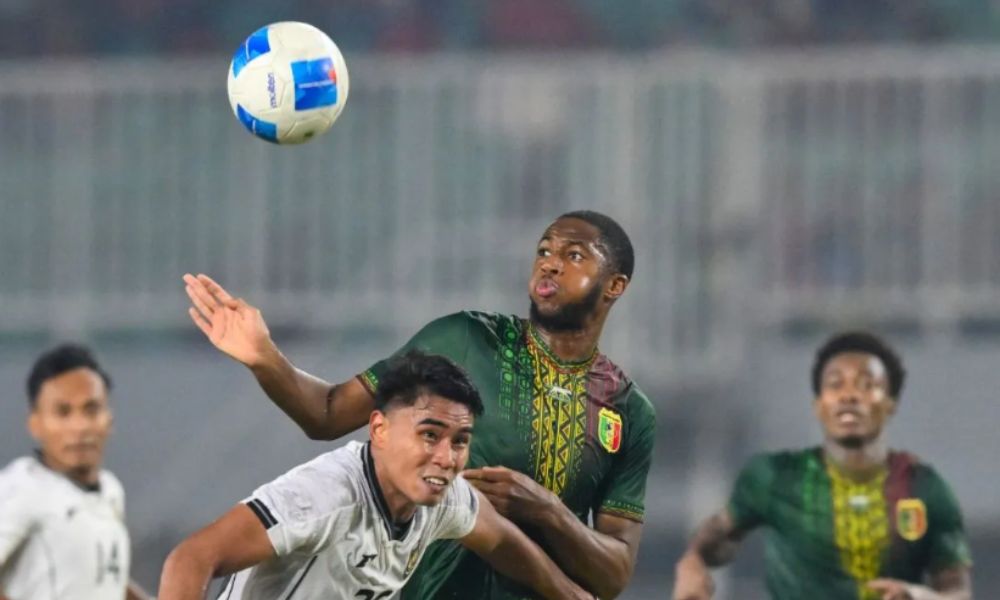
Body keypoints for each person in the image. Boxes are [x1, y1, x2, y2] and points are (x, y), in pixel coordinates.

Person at [182, 210, 656, 599]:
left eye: (574, 255)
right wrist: (265, 358)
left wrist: (547, 509)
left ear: (615, 285)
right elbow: (327, 413)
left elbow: (612, 576)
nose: (549, 264)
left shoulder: (629, 411)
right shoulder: (465, 339)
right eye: (544, 251)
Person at [159, 350, 592, 600]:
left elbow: (503, 541)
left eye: (460, 441)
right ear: (379, 430)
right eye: (429, 435)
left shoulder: (441, 498)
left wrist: (573, 596)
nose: (446, 457)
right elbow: (191, 559)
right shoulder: (327, 496)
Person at [672, 332, 973, 600]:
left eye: (866, 385)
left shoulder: (925, 490)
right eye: (835, 384)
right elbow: (718, 538)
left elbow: (957, 592)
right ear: (819, 404)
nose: (849, 396)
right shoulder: (777, 477)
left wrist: (916, 595)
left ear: (890, 403)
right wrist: (693, 563)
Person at [0, 344, 150, 600]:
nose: (80, 426)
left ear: (109, 419)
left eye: (91, 410)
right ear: (35, 424)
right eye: (63, 412)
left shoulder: (111, 490)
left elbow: (104, 579)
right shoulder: (21, 487)